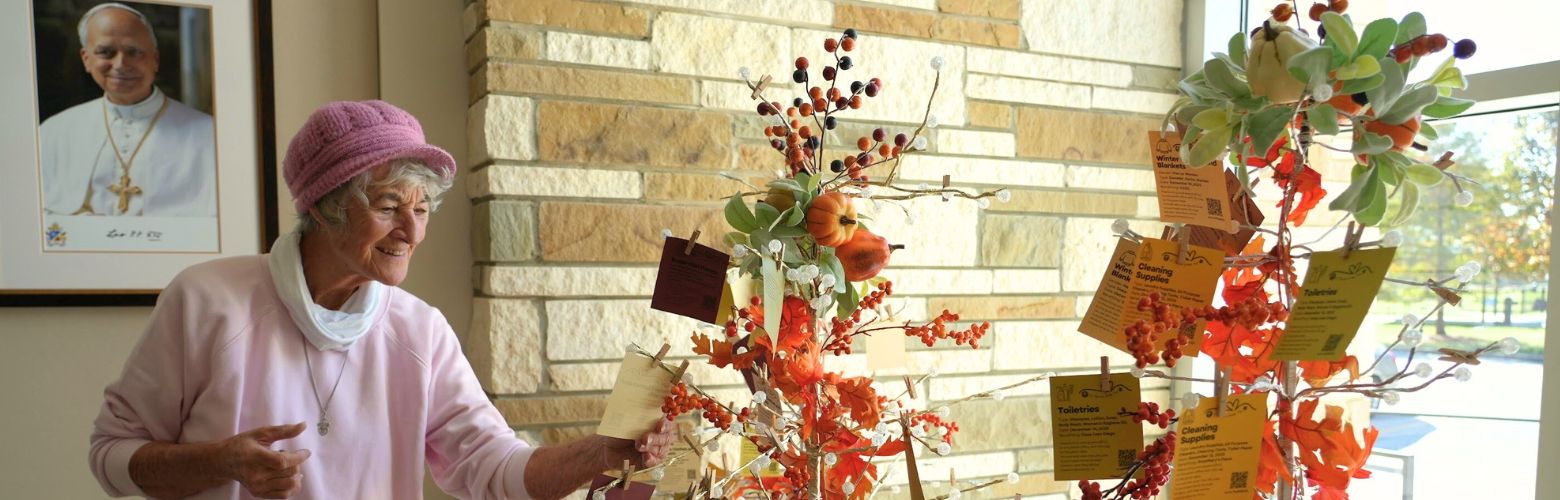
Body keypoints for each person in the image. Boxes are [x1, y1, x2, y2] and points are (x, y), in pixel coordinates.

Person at [88, 100, 677, 499]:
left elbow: (493, 467)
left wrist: (602, 452)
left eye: (421, 209)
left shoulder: (420, 330)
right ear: (324, 207)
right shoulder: (207, 300)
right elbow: (112, 455)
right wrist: (220, 462)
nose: (412, 232)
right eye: (389, 206)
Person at [39, 2, 216, 217]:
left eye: (134, 52)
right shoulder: (53, 131)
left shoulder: (210, 135)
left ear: (155, 60)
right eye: (106, 52)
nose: (121, 64)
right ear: (86, 60)